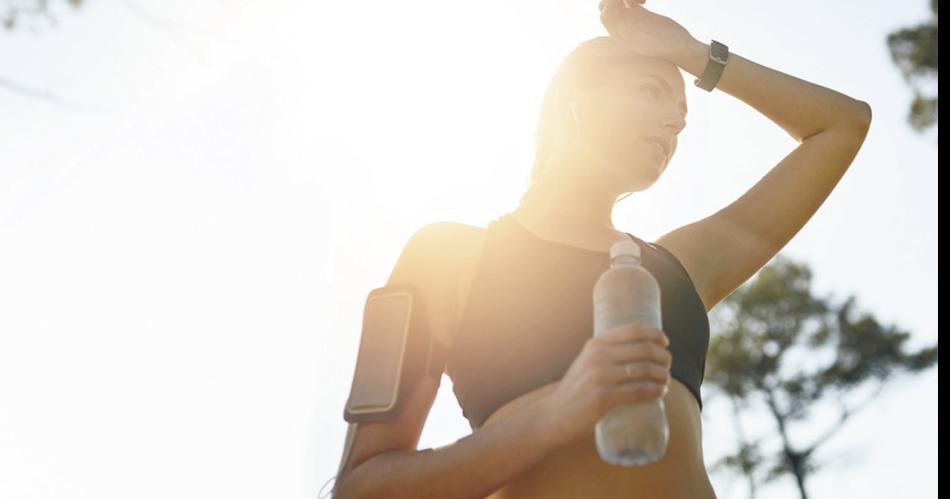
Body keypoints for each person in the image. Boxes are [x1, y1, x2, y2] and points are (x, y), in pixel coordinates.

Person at [331, 1, 872, 497]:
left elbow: (842, 125)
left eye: (682, 112)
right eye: (650, 90)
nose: (676, 120)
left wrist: (692, 55)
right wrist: (555, 412)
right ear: (574, 100)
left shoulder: (678, 269)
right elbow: (359, 487)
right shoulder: (447, 255)